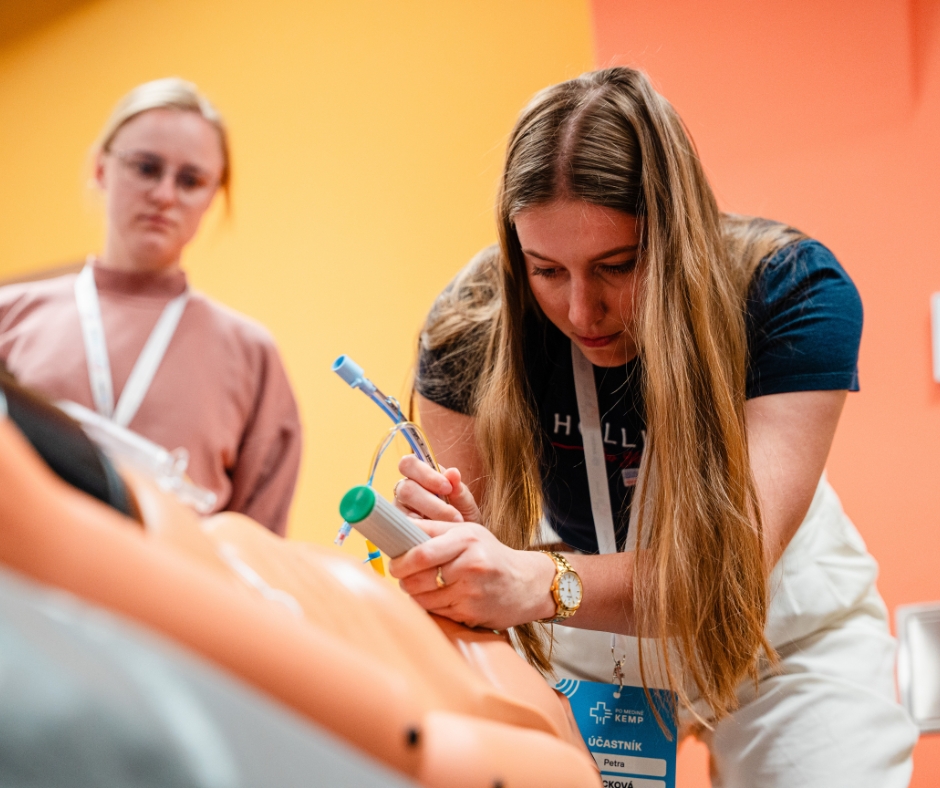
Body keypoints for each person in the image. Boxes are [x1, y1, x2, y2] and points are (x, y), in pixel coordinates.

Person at [388, 68, 917, 786]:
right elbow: (481, 562)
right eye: (547, 271)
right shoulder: (471, 328)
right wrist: (459, 551)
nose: (581, 312)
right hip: (580, 644)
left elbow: (723, 578)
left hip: (781, 641)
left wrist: (537, 578)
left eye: (617, 265)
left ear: (676, 237)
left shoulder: (789, 291)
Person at [0, 78, 301, 535]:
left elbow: (257, 550)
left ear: (212, 196)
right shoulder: (10, 317)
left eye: (190, 180)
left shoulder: (251, 355)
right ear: (101, 168)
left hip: (172, 580)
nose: (164, 195)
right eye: (146, 167)